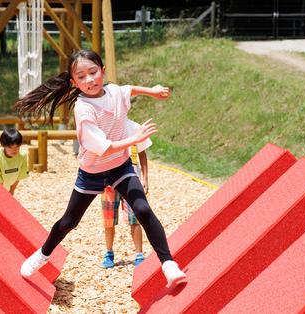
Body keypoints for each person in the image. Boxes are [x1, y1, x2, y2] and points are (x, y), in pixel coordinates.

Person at [15, 50, 186, 288]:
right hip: (92, 172)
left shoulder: (114, 91)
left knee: (142, 209)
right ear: (74, 83)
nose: (89, 80)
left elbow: (128, 89)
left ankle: (169, 265)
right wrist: (134, 138)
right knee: (68, 222)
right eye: (82, 77)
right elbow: (104, 148)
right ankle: (42, 255)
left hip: (120, 167)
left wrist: (152, 91)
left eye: (93, 72)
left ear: (102, 71)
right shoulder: (83, 108)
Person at [100, 121, 150, 268]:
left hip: (131, 180)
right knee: (108, 218)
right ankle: (109, 252)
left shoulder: (134, 127)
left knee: (135, 218)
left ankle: (139, 254)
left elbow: (142, 154)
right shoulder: (104, 127)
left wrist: (145, 178)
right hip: (108, 181)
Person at [0, 128, 28, 195]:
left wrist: (12, 190)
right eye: (10, 147)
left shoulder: (23, 155)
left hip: (7, 181)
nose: (14, 150)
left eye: (17, 147)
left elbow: (20, 176)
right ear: (4, 145)